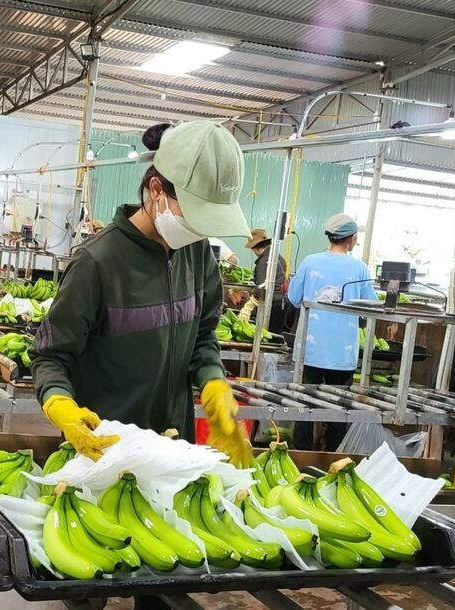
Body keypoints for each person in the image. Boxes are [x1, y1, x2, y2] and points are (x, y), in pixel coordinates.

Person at [31, 121, 253, 461]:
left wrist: (212, 381)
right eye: (194, 214)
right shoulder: (98, 262)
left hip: (173, 449)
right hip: (106, 452)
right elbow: (51, 356)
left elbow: (202, 334)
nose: (199, 229)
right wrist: (59, 403)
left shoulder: (197, 254)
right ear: (156, 189)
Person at [287, 213, 376, 452]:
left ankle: (301, 454)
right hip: (341, 354)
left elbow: (293, 297)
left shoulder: (309, 262)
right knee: (339, 408)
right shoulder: (359, 269)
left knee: (304, 404)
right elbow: (371, 306)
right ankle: (334, 456)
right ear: (352, 238)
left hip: (310, 350)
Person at [245, 228, 287, 333]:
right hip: (282, 303)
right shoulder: (277, 257)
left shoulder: (264, 261)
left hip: (271, 304)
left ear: (255, 248)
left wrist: (249, 305)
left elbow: (261, 288)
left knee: (266, 335)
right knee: (274, 335)